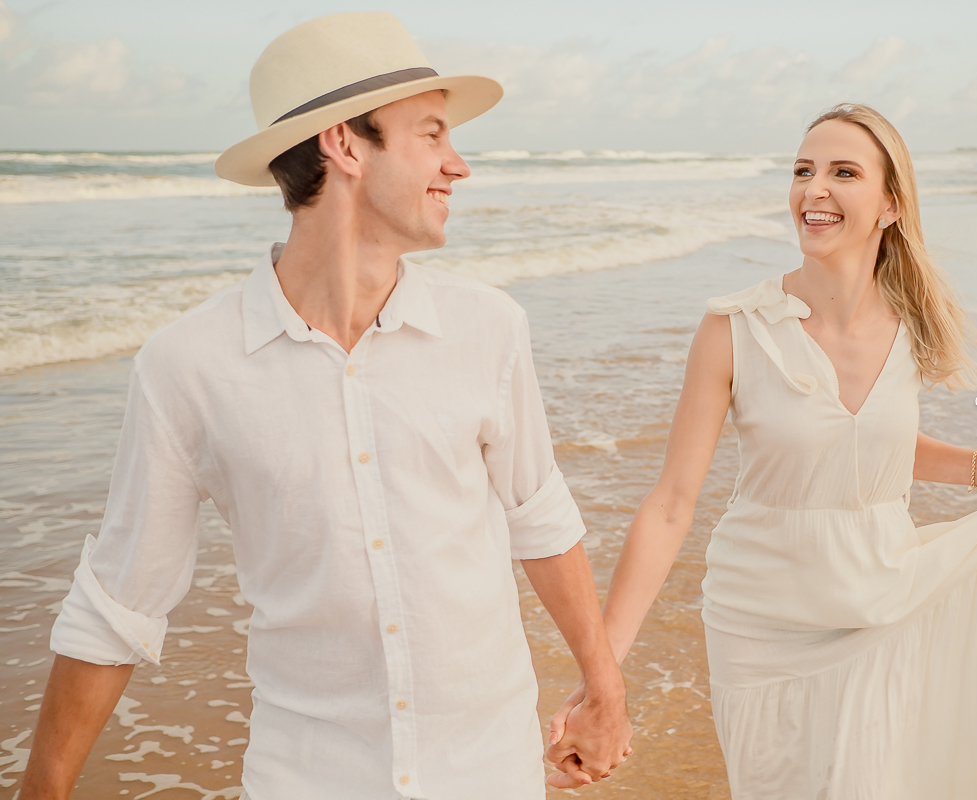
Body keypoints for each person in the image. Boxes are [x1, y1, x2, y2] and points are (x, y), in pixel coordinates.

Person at [20, 12, 630, 800]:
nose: (458, 164)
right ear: (345, 145)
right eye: (432, 135)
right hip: (307, 776)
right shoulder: (187, 366)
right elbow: (119, 603)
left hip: (489, 768)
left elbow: (537, 514)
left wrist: (603, 689)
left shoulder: (488, 327)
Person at [549, 104, 977, 798]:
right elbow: (671, 505)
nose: (813, 189)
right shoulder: (735, 328)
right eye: (802, 171)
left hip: (881, 597)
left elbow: (862, 444)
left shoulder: (911, 325)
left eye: (843, 172)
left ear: (890, 205)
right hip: (761, 624)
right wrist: (602, 675)